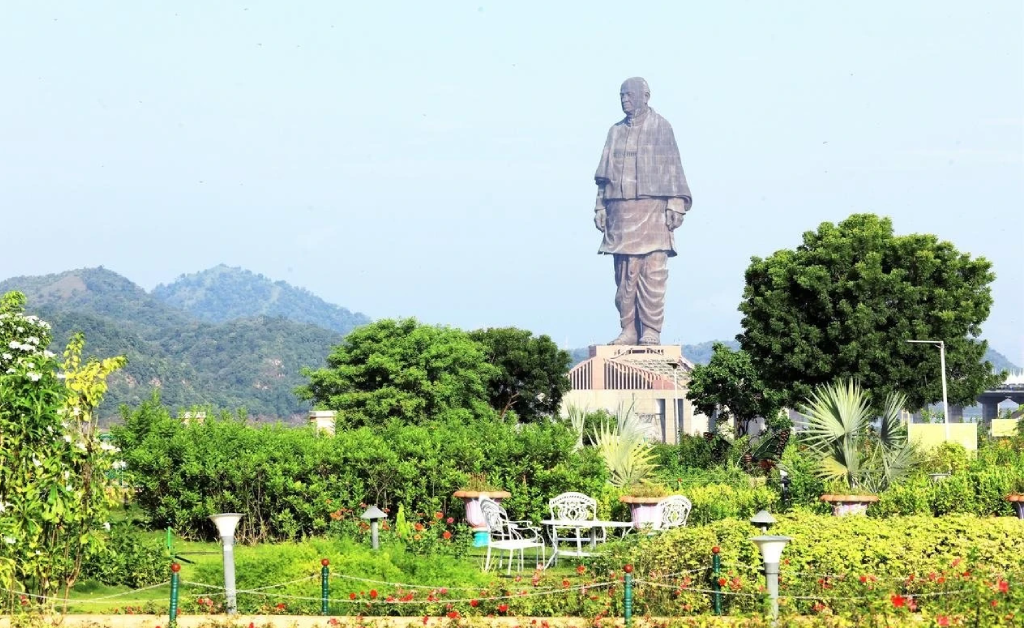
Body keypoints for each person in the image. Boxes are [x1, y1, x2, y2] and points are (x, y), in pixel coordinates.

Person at [593, 77, 692, 346]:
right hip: (621, 211)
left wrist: (676, 203)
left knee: (653, 271)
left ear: (645, 96)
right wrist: (600, 205)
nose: (624, 99)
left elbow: (674, 168)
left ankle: (651, 330)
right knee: (626, 273)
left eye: (629, 94)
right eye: (621, 95)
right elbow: (603, 178)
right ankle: (628, 330)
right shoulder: (614, 132)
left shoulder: (662, 127)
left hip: (654, 209)